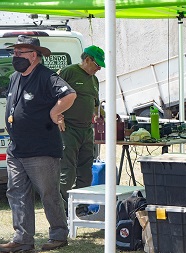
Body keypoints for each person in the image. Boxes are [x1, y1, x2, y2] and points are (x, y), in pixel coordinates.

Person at [0, 35, 76, 252]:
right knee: (16, 193)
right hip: (17, 148)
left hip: (41, 150)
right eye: (14, 52)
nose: (15, 56)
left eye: (19, 53)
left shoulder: (46, 77)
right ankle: (23, 239)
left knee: (48, 193)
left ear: (34, 55)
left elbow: (70, 94)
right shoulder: (16, 77)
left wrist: (55, 111)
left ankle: (59, 235)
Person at [58, 45, 105, 215]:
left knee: (86, 172)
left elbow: (95, 104)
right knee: (67, 172)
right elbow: (53, 95)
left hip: (87, 130)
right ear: (87, 60)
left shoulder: (94, 80)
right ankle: (62, 210)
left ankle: (81, 207)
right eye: (97, 64)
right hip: (68, 130)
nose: (99, 68)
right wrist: (59, 116)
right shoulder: (69, 72)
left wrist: (103, 116)